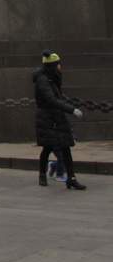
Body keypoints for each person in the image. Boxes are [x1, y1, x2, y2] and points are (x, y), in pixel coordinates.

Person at [34, 51, 86, 190]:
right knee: (48, 147)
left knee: (65, 147)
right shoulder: (43, 80)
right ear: (52, 66)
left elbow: (58, 97)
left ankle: (71, 178)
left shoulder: (52, 78)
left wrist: (69, 105)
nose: (60, 67)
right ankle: (42, 175)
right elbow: (50, 99)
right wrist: (71, 110)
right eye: (58, 64)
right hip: (47, 118)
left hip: (56, 116)